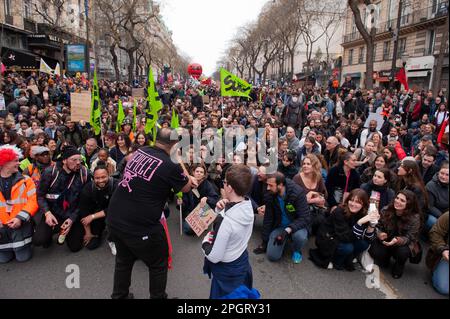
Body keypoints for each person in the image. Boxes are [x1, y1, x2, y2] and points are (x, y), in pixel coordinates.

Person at [106, 128, 196, 299]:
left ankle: (119, 296)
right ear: (175, 144)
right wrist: (186, 175)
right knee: (158, 263)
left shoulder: (142, 151)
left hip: (115, 217)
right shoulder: (171, 165)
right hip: (140, 226)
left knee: (123, 261)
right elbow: (185, 187)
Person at [202, 164, 257, 299]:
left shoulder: (225, 221)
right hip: (241, 262)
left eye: (225, 182)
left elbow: (214, 256)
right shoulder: (248, 204)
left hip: (226, 273)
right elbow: (234, 210)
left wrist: (205, 242)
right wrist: (221, 207)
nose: (223, 184)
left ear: (230, 188)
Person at [33, 146, 90, 252]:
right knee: (39, 240)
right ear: (64, 161)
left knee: (75, 247)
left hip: (73, 212)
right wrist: (47, 213)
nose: (78, 163)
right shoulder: (50, 172)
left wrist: (72, 218)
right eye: (74, 160)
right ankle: (53, 230)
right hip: (54, 212)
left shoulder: (84, 173)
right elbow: (40, 196)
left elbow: (84, 201)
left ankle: (68, 229)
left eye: (80, 160)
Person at [310, 189, 379, 270]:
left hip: (346, 237)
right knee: (348, 247)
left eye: (358, 202)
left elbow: (368, 239)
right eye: (351, 200)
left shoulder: (363, 213)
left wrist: (372, 224)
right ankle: (335, 261)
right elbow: (344, 237)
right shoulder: (339, 211)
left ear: (363, 204)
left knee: (364, 244)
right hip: (329, 238)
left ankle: (347, 258)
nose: (353, 204)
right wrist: (359, 223)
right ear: (347, 200)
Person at [254, 172, 310, 264]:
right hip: (279, 226)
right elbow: (268, 218)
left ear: (280, 185)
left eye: (270, 185)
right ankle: (284, 240)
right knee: (272, 256)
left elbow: (305, 218)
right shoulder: (270, 193)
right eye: (267, 185)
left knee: (300, 237)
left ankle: (297, 250)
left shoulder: (297, 193)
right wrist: (264, 241)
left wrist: (288, 230)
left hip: (296, 225)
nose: (268, 188)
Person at [369, 190, 422, 279]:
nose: (397, 201)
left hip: (403, 243)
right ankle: (386, 257)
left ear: (409, 204)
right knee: (375, 252)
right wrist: (379, 233)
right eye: (397, 198)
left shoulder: (415, 217)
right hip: (387, 239)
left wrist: (398, 240)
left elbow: (410, 237)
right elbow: (377, 226)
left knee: (402, 252)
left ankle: (399, 264)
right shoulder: (386, 209)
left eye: (402, 200)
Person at [0, 145, 38, 263]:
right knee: (3, 260)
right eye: (15, 161)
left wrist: (20, 218)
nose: (19, 163)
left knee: (22, 258)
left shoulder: (26, 180)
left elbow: (33, 201)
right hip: (1, 228)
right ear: (5, 163)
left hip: (20, 224)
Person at [78, 164, 119, 254]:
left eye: (103, 177)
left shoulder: (117, 185)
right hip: (97, 216)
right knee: (92, 245)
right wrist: (88, 233)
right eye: (97, 178)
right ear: (93, 178)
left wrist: (92, 216)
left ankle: (113, 240)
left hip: (114, 214)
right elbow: (84, 211)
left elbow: (117, 208)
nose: (100, 180)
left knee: (115, 219)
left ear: (109, 175)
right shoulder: (88, 189)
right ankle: (101, 230)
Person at [179, 164, 219, 236]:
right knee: (187, 229)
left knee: (191, 228)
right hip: (190, 211)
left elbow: (215, 199)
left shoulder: (207, 185)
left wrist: (207, 198)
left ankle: (203, 223)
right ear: (193, 172)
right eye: (197, 171)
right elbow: (184, 203)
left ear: (204, 175)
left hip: (201, 211)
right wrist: (181, 203)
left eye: (201, 172)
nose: (199, 173)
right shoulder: (187, 184)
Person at [292, 154, 327, 234]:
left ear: (314, 166)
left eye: (308, 164)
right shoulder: (297, 178)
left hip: (315, 209)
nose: (305, 166)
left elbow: (324, 194)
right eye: (304, 164)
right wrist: (310, 200)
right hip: (300, 209)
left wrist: (318, 197)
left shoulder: (318, 177)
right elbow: (292, 199)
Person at [426, 212, 449, 296]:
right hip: (446, 255)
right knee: (443, 288)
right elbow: (435, 232)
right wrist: (443, 250)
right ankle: (436, 266)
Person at [425, 162, 449, 232]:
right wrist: (444, 218)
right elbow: (430, 207)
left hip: (446, 211)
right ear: (438, 172)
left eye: (447, 175)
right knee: (433, 221)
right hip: (432, 214)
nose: (443, 177)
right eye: (442, 173)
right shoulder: (431, 186)